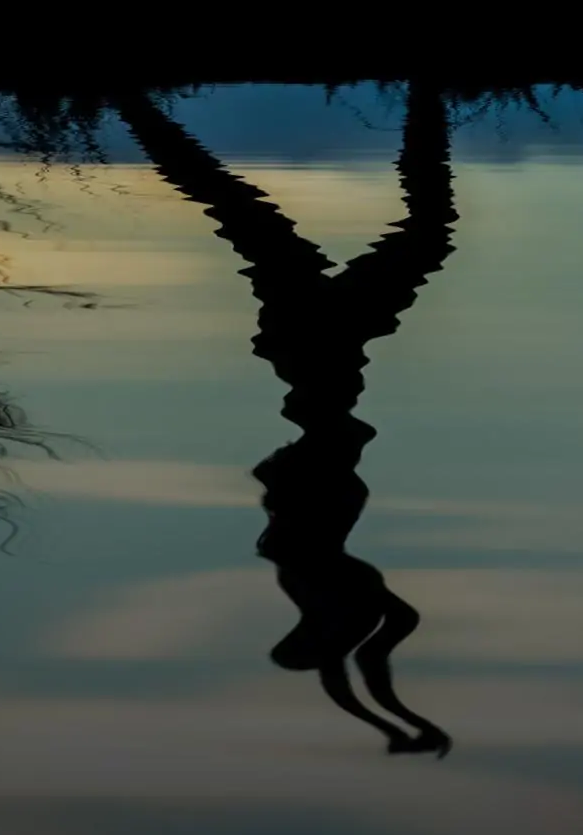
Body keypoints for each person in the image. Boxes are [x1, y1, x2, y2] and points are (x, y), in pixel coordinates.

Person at [119, 84, 456, 755]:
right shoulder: (332, 597)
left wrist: (397, 721)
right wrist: (395, 723)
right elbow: (359, 663)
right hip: (320, 356)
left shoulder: (314, 578)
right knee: (248, 214)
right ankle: (135, 107)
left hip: (319, 352)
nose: (325, 653)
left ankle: (133, 105)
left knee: (255, 214)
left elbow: (364, 652)